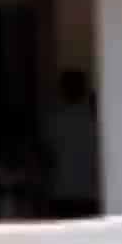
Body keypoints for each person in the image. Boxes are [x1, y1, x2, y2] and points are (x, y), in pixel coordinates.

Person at [40, 70, 100, 218]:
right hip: (89, 192)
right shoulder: (95, 119)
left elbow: (46, 157)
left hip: (61, 192)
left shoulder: (53, 119)